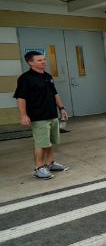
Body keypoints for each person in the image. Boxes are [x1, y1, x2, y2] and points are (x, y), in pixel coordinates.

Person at [14, 51, 69, 180]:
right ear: (30, 62)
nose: (43, 61)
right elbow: (20, 98)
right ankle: (38, 168)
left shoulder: (47, 76)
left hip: (51, 114)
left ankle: (49, 164)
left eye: (44, 59)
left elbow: (55, 94)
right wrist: (23, 115)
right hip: (38, 116)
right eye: (39, 60)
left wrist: (61, 108)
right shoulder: (25, 78)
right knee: (41, 143)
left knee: (50, 142)